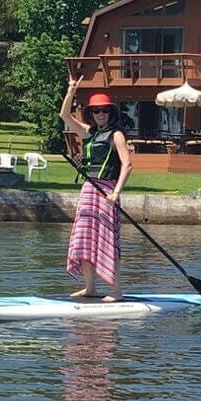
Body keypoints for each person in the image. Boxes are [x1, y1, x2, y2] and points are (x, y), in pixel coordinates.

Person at [59, 76, 132, 303]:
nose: (100, 115)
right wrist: (71, 91)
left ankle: (116, 290)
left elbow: (127, 164)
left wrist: (116, 193)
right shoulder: (90, 133)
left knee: (107, 240)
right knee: (84, 238)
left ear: (110, 113)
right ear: (92, 114)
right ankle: (90, 288)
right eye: (96, 111)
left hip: (107, 192)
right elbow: (64, 116)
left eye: (104, 111)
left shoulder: (116, 135)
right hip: (88, 191)